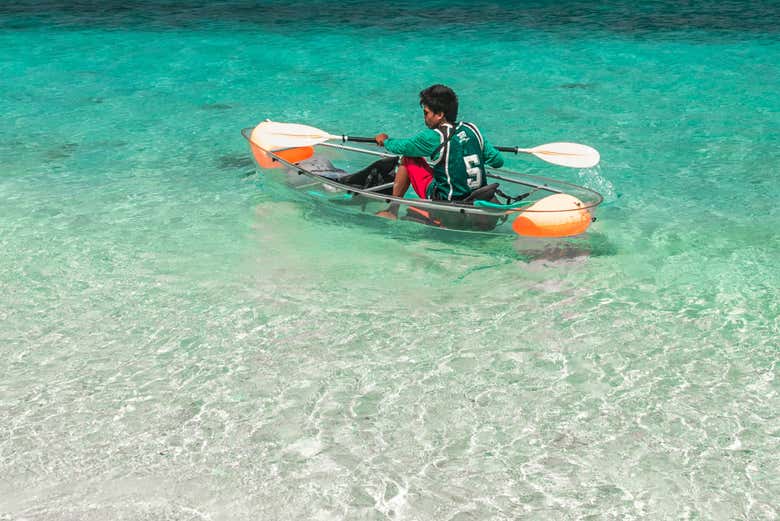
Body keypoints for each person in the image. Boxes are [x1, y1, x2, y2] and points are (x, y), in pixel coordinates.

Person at [374, 84, 504, 219]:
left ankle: (392, 211)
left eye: (426, 113)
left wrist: (385, 141)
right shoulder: (473, 130)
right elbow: (498, 161)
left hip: (446, 202)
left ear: (440, 114)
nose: (425, 118)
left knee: (408, 157)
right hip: (477, 199)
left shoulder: (434, 136)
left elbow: (403, 147)